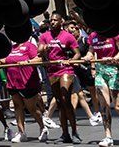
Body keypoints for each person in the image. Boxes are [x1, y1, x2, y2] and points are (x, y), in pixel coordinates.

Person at [87, 30, 119, 147]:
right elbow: (90, 52)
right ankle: (108, 136)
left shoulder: (114, 34)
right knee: (104, 105)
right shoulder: (93, 36)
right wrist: (88, 57)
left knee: (118, 106)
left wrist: (114, 58)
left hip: (114, 70)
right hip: (100, 71)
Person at [38, 14, 80, 145]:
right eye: (51, 20)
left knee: (64, 97)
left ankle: (75, 132)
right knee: (60, 103)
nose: (52, 22)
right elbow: (39, 51)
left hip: (65, 70)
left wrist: (71, 61)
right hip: (52, 71)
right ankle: (65, 134)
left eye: (55, 20)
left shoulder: (67, 36)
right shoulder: (45, 36)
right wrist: (44, 49)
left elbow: (77, 53)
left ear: (61, 22)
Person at [2, 36, 45, 144]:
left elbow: (39, 59)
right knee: (17, 106)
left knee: (31, 108)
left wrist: (28, 62)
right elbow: (4, 59)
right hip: (13, 83)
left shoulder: (29, 46)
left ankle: (43, 127)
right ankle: (21, 133)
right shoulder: (10, 48)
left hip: (28, 83)